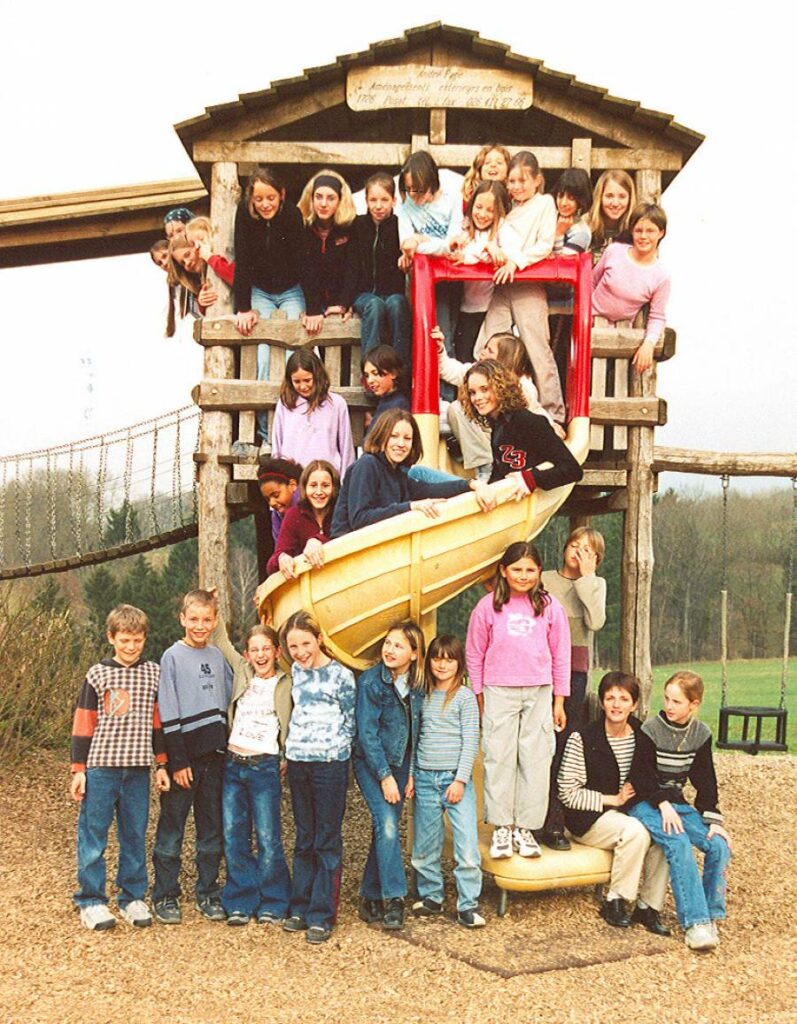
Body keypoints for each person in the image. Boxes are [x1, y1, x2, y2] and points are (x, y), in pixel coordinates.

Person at [466, 541, 570, 860]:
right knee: (499, 757)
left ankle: (525, 828)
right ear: (503, 571)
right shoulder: (487, 607)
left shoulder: (550, 607)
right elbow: (474, 654)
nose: (523, 576)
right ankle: (502, 827)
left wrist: (559, 700)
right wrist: (479, 695)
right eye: (517, 569)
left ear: (539, 572)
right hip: (499, 690)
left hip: (539, 691)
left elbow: (561, 654)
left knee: (535, 759)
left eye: (530, 570)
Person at [70, 604, 169, 931]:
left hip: (137, 769)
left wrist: (162, 763)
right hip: (101, 768)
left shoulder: (153, 673)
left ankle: (132, 896)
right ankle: (91, 900)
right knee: (93, 836)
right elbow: (84, 722)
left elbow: (158, 723)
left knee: (134, 835)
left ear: (145, 639)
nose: (131, 646)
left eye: (137, 640)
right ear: (111, 637)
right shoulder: (97, 674)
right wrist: (78, 769)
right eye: (125, 640)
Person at [558, 671, 670, 934]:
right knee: (635, 832)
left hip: (631, 811)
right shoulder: (583, 738)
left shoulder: (643, 735)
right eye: (610, 698)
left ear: (634, 704)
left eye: (624, 699)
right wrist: (612, 799)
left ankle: (648, 906)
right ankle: (616, 900)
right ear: (601, 702)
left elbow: (652, 777)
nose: (616, 705)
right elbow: (567, 792)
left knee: (665, 833)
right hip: (588, 819)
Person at [628, 671, 732, 953]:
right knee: (678, 841)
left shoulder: (700, 734)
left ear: (693, 704)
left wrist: (713, 819)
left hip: (677, 803)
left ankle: (709, 916)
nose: (669, 706)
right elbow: (641, 777)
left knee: (718, 845)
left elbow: (705, 780)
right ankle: (695, 924)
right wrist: (662, 804)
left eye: (676, 701)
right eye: (667, 699)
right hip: (645, 803)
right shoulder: (651, 729)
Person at [152, 589, 232, 925]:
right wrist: (177, 761)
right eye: (194, 619)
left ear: (215, 621)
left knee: (211, 829)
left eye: (206, 619)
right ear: (182, 619)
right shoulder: (172, 656)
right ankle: (165, 894)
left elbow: (229, 700)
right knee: (172, 827)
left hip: (216, 757)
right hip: (184, 758)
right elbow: (168, 709)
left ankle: (208, 891)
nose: (200, 626)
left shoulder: (218, 656)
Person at [210, 614, 292, 926]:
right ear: (247, 654)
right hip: (234, 764)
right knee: (234, 835)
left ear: (277, 652)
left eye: (266, 648)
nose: (260, 655)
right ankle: (241, 899)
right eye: (254, 649)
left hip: (264, 766)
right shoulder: (242, 671)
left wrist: (286, 755)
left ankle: (273, 900)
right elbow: (221, 640)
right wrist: (215, 608)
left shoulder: (287, 681)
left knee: (268, 836)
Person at [280, 611, 356, 945]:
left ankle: (322, 914)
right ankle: (300, 906)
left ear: (319, 640)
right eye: (293, 646)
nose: (300, 652)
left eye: (306, 644)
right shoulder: (295, 672)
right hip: (299, 762)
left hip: (329, 765)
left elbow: (350, 721)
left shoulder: (341, 675)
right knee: (304, 837)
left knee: (327, 839)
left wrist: (337, 751)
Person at [353, 622, 426, 931]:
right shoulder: (371, 682)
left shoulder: (419, 685)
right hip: (371, 764)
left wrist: (410, 773)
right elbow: (367, 735)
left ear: (414, 654)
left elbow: (416, 733)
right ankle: (395, 898)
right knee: (386, 823)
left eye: (399, 645)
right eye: (388, 643)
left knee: (387, 829)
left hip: (401, 764)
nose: (390, 650)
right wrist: (385, 776)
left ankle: (370, 894)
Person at [483, 151, 562, 425]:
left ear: (537, 180)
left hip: (527, 283)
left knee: (537, 348)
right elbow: (494, 238)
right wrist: (492, 247)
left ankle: (553, 415)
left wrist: (515, 262)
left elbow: (544, 245)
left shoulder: (544, 203)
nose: (516, 186)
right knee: (487, 343)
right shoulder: (507, 207)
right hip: (503, 284)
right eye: (512, 181)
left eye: (522, 180)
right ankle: (487, 407)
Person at [540, 527, 607, 849]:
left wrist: (587, 577)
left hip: (573, 674)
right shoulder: (543, 579)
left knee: (562, 746)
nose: (578, 552)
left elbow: (595, 621)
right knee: (537, 748)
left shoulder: (595, 584)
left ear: (596, 558)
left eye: (587, 549)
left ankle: (554, 824)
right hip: (539, 669)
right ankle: (528, 822)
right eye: (574, 545)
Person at [411, 634, 484, 928]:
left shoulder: (464, 697)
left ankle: (468, 904)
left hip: (454, 780)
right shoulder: (422, 694)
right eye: (437, 658)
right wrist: (413, 775)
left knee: (466, 846)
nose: (442, 665)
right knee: (425, 844)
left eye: (449, 659)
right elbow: (416, 739)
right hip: (425, 778)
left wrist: (460, 780)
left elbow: (471, 741)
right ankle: (432, 896)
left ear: (459, 663)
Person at [331, 408, 493, 538]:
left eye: (407, 438)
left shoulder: (398, 473)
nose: (401, 444)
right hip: (347, 551)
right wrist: (411, 507)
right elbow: (360, 519)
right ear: (381, 437)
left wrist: (472, 484)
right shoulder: (367, 464)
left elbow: (431, 490)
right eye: (394, 436)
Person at [232, 166, 305, 444]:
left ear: (281, 195)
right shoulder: (244, 215)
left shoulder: (292, 215)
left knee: (294, 356)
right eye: (259, 199)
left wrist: (312, 310)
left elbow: (305, 261)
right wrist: (243, 308)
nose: (265, 204)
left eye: (270, 198)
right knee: (262, 357)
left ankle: (296, 427)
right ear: (250, 199)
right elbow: (242, 260)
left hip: (291, 288)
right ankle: (265, 432)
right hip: (260, 290)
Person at [436, 327, 560, 482]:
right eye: (485, 347)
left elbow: (533, 412)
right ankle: (483, 466)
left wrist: (551, 425)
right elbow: (450, 370)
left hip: (507, 444)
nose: (482, 353)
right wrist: (439, 350)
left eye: (490, 351)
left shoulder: (522, 387)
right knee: (454, 409)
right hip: (483, 436)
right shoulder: (477, 373)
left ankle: (487, 465)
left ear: (503, 360)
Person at [460, 360, 583, 496]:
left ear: (500, 387)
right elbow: (501, 472)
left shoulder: (527, 421)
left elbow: (572, 470)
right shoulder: (497, 424)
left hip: (532, 500)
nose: (477, 398)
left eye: (484, 389)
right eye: (472, 392)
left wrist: (532, 479)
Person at [397, 150, 464, 389]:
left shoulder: (452, 199)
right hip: (419, 281)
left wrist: (420, 240)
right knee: (421, 335)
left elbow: (452, 243)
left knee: (445, 335)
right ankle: (426, 392)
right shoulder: (405, 206)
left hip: (448, 278)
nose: (413, 196)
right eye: (408, 189)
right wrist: (418, 244)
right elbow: (405, 243)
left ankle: (446, 395)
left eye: (418, 190)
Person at [592, 202, 670, 373]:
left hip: (621, 334)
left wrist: (649, 344)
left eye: (650, 231)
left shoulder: (661, 276)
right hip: (590, 323)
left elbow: (657, 316)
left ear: (661, 233)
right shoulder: (614, 252)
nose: (643, 236)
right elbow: (591, 282)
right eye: (638, 230)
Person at [342, 171, 411, 365]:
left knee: (397, 304)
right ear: (366, 200)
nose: (378, 206)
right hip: (365, 294)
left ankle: (399, 371)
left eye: (384, 200)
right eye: (373, 200)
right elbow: (351, 265)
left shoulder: (399, 226)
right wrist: (345, 302)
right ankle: (370, 369)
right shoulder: (358, 225)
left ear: (394, 201)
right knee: (375, 305)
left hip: (392, 293)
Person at [447, 180, 511, 363]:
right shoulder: (465, 228)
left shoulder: (502, 228)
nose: (482, 214)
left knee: (488, 360)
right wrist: (479, 249)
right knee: (464, 358)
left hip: (490, 308)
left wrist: (489, 248)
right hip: (465, 306)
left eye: (490, 210)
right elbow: (457, 251)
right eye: (479, 207)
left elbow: (502, 255)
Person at [271, 348, 354, 476]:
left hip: (326, 480)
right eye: (297, 381)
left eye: (307, 380)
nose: (303, 386)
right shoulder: (285, 404)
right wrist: (278, 478)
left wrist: (345, 482)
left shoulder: (337, 404)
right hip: (293, 480)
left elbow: (346, 447)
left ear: (318, 375)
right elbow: (277, 445)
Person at [297, 169, 356, 337]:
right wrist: (312, 308)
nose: (323, 204)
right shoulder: (302, 228)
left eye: (331, 198)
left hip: (339, 305)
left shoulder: (351, 227)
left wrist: (344, 303)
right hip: (309, 302)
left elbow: (353, 269)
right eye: (318, 197)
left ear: (340, 200)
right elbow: (304, 270)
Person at [266, 459, 340, 579]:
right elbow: (273, 562)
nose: (319, 492)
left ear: (334, 488)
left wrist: (317, 540)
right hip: (307, 582)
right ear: (304, 488)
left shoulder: (340, 511)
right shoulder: (294, 515)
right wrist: (281, 558)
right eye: (313, 486)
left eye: (325, 486)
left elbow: (346, 539)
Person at [587, 170, 636, 266]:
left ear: (630, 199)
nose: (615, 203)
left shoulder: (636, 231)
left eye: (622, 197)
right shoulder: (586, 227)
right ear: (600, 197)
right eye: (609, 196)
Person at [361, 344, 410, 434]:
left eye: (375, 373)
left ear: (393, 373)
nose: (370, 381)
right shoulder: (385, 400)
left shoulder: (398, 405)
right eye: (367, 376)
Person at [257, 456, 302, 550]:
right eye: (267, 499)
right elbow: (279, 549)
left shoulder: (310, 505)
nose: (272, 503)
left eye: (276, 495)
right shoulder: (276, 516)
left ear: (292, 485)